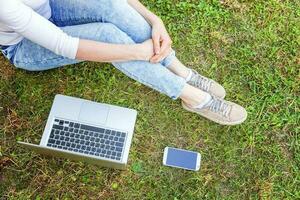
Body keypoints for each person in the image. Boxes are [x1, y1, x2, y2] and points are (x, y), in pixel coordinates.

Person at [0, 0, 247, 125]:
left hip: (50, 7)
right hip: (23, 46)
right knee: (108, 35)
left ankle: (180, 71)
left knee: (111, 5)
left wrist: (154, 20)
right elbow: (64, 45)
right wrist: (137, 52)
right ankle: (193, 97)